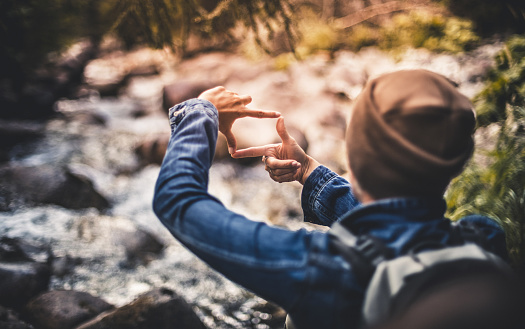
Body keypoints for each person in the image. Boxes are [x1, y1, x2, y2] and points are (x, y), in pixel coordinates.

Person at [153, 70, 512, 329]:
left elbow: (177, 200)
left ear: (353, 157)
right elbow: (396, 235)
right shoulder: (482, 238)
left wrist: (201, 112)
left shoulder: (322, 269)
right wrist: (308, 170)